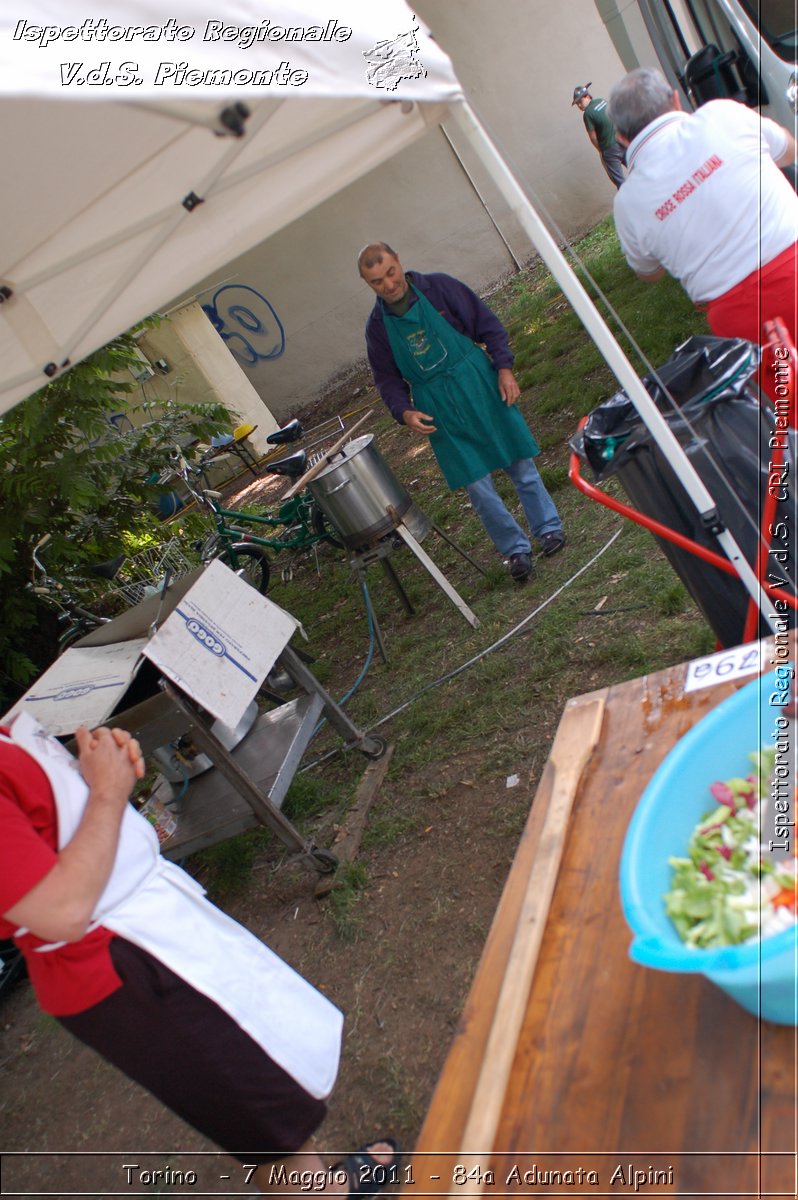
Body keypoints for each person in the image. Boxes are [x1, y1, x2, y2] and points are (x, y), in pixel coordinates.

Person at [0, 711, 397, 1196]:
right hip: (121, 967)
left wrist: (90, 774)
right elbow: (59, 910)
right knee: (256, 1106)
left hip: (147, 933)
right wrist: (106, 789)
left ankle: (315, 1186)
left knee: (264, 1088)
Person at [358, 242, 565, 583]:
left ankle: (548, 529)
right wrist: (404, 412)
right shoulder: (377, 327)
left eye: (390, 272)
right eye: (377, 281)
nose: (388, 284)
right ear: (369, 285)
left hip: (478, 382)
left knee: (518, 461)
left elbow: (488, 325)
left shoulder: (438, 287)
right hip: (437, 405)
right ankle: (515, 550)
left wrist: (504, 367)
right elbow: (386, 379)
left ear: (399, 261)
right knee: (477, 485)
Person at [609, 67, 798, 358]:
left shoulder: (626, 203)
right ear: (675, 99)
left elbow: (648, 272)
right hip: (792, 260)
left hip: (739, 316)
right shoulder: (723, 115)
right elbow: (788, 150)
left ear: (622, 137)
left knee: (789, 400)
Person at [571, 82, 625, 190]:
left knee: (620, 181)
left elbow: (592, 137)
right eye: (577, 104)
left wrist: (601, 150)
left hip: (609, 149)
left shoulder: (588, 114)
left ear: (587, 96)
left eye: (580, 102)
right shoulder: (602, 101)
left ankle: (633, 203)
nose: (580, 106)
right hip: (622, 141)